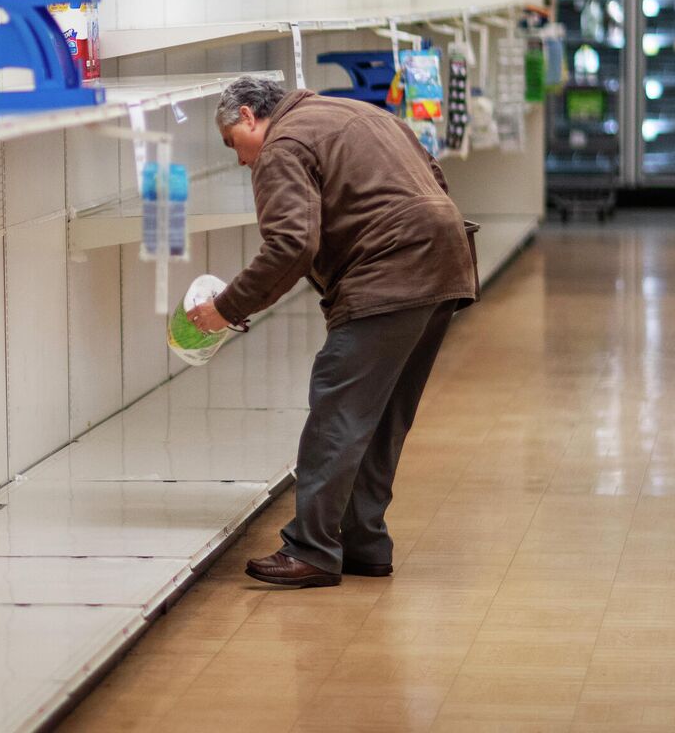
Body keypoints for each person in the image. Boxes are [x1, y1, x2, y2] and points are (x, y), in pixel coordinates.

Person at [187, 76, 479, 588]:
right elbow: (433, 177)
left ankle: (312, 550)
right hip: (446, 261)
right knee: (382, 417)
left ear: (250, 114)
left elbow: (291, 246)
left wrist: (225, 309)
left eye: (234, 143)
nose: (240, 159)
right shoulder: (358, 113)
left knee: (336, 411)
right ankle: (364, 543)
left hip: (389, 274)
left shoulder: (283, 145)